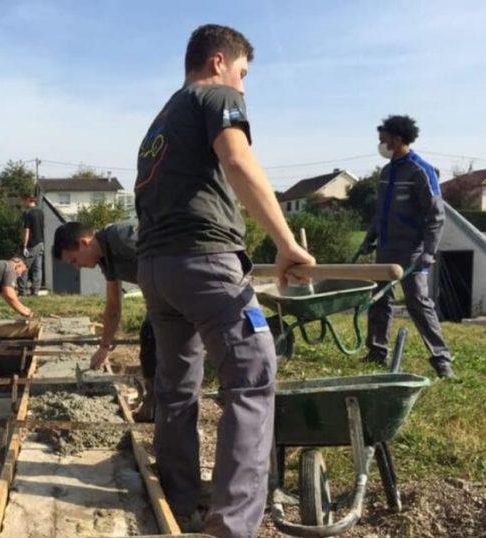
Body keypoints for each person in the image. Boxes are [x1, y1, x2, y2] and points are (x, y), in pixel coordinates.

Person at [133, 24, 315, 535]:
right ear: (218, 61)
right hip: (204, 261)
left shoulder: (160, 121)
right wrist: (286, 243)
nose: (243, 85)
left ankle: (178, 495)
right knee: (253, 374)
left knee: (176, 385)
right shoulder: (216, 97)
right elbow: (237, 161)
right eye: (243, 72)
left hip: (156, 270)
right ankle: (232, 525)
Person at [358, 115, 454, 378]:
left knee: (417, 302)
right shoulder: (387, 172)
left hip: (412, 251)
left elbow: (436, 215)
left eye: (384, 140)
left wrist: (429, 251)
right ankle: (377, 351)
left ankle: (441, 359)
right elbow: (381, 213)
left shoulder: (420, 170)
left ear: (398, 139)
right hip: (386, 248)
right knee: (379, 301)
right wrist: (369, 238)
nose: (381, 144)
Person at [52, 220, 158, 422]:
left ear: (83, 243)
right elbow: (113, 306)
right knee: (149, 342)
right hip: (158, 298)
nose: (77, 268)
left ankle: (170, 411)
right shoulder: (104, 260)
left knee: (166, 349)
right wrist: (104, 346)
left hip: (180, 287)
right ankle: (154, 406)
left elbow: (165, 257)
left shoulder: (121, 237)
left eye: (74, 260)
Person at [19, 193, 45, 295]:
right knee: (37, 268)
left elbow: (27, 230)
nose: (22, 203)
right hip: (40, 243)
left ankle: (22, 291)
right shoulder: (40, 212)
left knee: (23, 266)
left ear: (27, 200)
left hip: (31, 244)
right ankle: (35, 291)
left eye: (22, 200)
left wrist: (24, 246)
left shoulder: (28, 213)